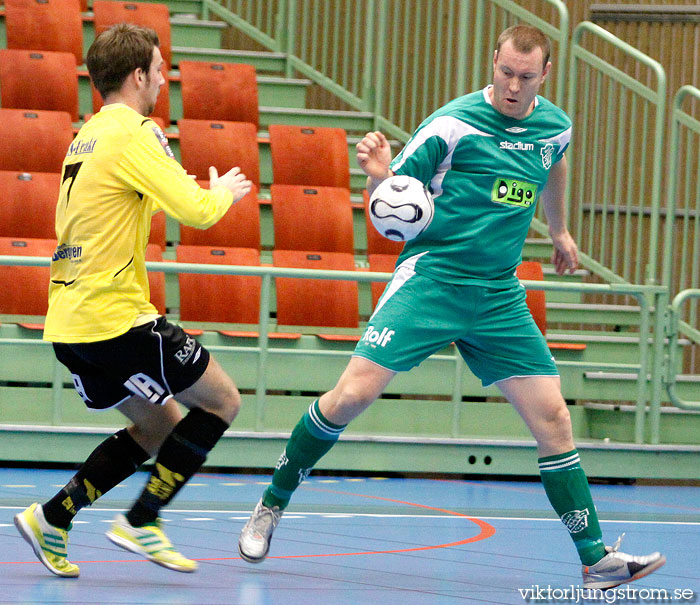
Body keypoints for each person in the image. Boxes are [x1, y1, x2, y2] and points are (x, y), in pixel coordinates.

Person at [237, 25, 665, 589]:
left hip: (497, 294)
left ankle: (595, 561)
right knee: (351, 395)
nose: (513, 85)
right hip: (432, 278)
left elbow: (556, 165)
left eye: (526, 77)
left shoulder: (555, 127)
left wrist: (559, 231)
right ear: (494, 62)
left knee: (555, 419)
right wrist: (379, 175)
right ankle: (272, 502)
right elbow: (394, 201)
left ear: (545, 75)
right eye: (506, 72)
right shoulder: (451, 124)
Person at [14, 23, 252, 577]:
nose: (165, 79)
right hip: (114, 318)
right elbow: (197, 210)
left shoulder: (87, 135)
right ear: (139, 74)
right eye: (161, 68)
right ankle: (143, 520)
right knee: (221, 401)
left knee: (158, 427)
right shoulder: (134, 131)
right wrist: (222, 192)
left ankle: (53, 517)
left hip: (69, 325)